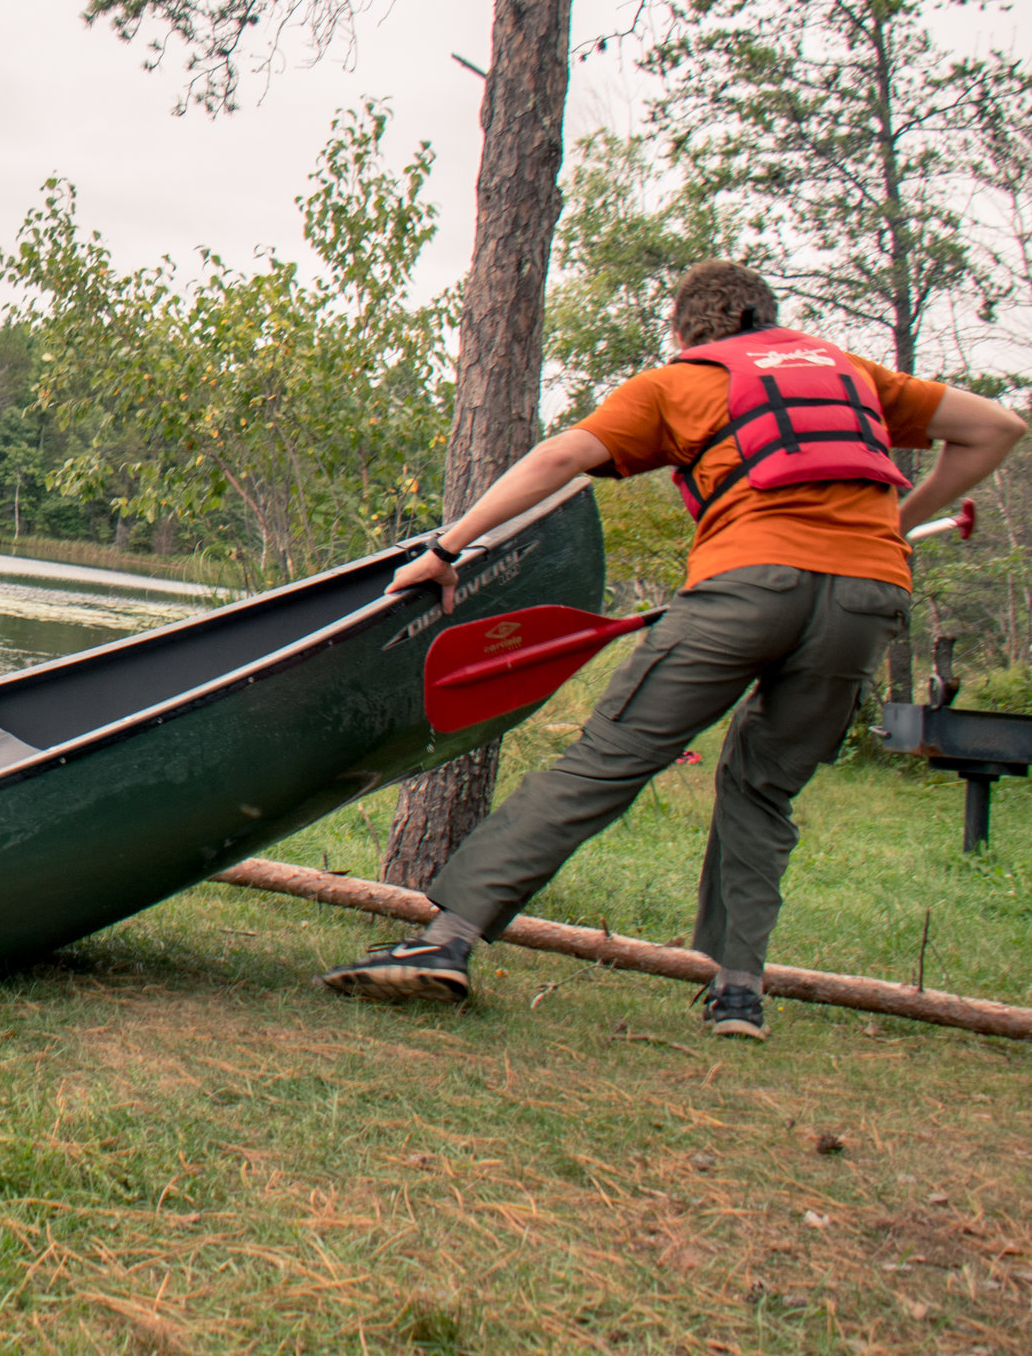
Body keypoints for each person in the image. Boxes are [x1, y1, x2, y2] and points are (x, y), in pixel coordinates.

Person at [323, 261, 1024, 1038]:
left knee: (608, 758)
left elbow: (559, 459)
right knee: (764, 788)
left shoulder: (679, 383)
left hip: (746, 585)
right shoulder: (849, 373)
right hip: (867, 597)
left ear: (686, 331)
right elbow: (998, 426)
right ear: (767, 318)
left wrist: (447, 549)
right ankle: (738, 992)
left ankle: (445, 942)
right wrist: (898, 518)